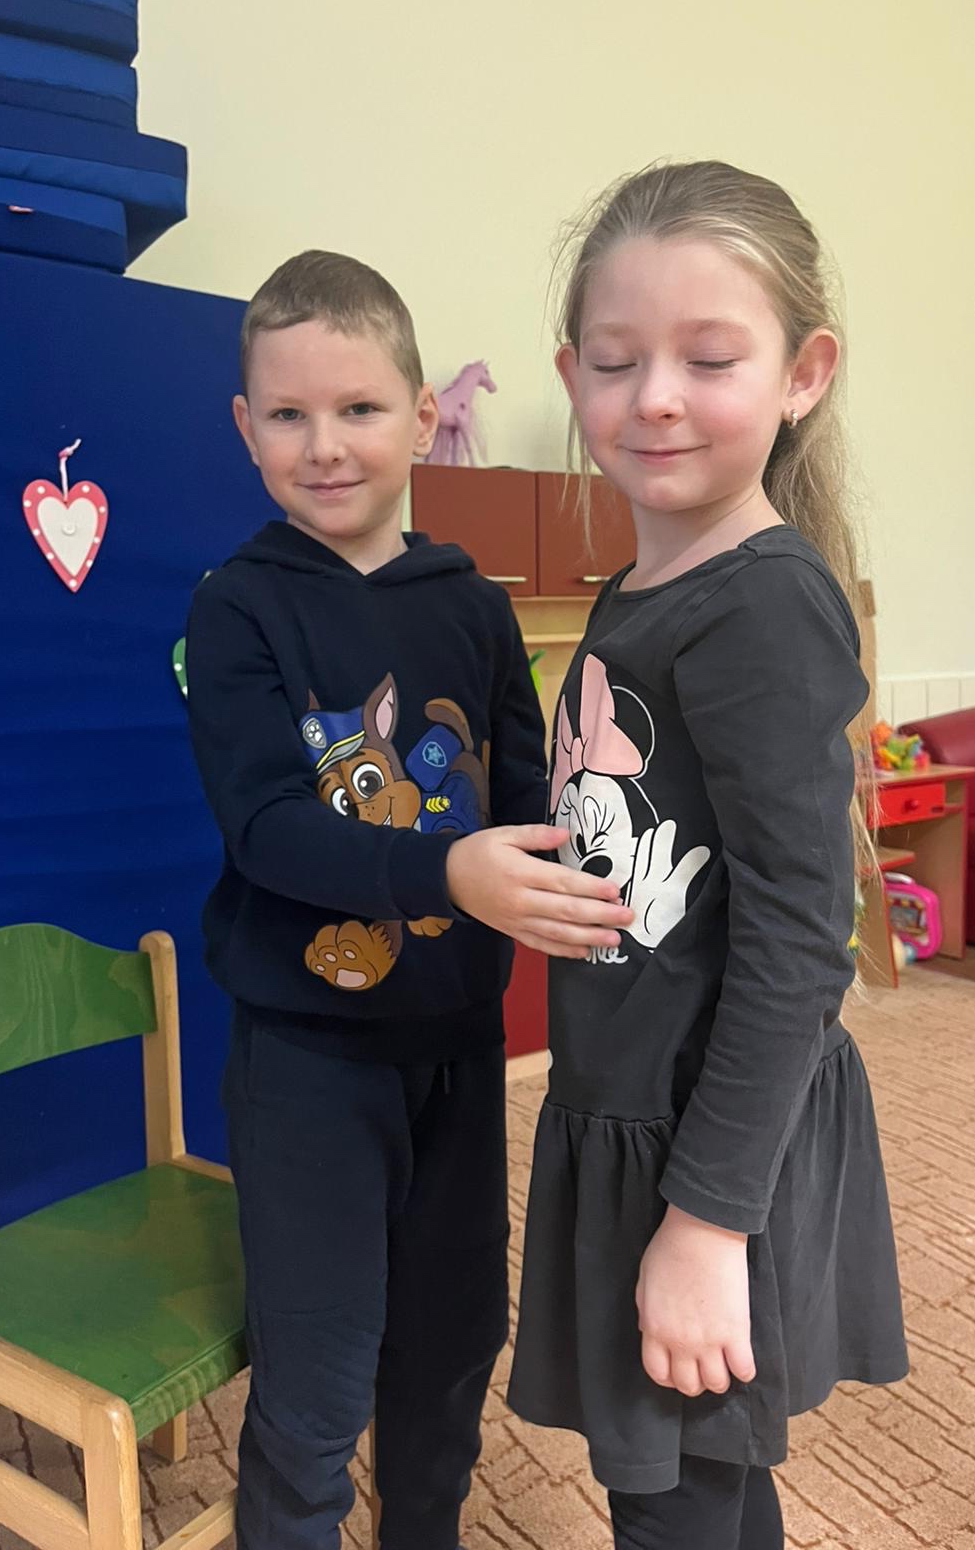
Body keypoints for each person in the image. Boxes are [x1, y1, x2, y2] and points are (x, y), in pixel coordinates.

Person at [186, 249, 633, 1550]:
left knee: (448, 1354)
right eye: (288, 414)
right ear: (245, 426)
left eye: (360, 408)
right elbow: (268, 828)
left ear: (425, 413)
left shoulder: (475, 608)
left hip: (458, 1054)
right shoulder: (236, 609)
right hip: (306, 1064)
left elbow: (528, 794)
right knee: (318, 1390)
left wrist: (606, 846)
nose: (324, 445)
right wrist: (447, 872)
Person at [507, 162, 909, 1550]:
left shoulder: (761, 607)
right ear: (574, 376)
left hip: (708, 1135)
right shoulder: (639, 589)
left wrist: (706, 1223)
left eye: (709, 358)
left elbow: (801, 947)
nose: (657, 397)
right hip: (640, 1095)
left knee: (669, 1491)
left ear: (803, 375)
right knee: (692, 1474)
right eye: (617, 361)